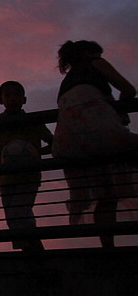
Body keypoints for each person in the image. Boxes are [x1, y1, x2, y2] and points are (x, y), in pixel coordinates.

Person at [52, 40, 138, 248]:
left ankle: (107, 246)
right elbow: (128, 89)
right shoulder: (96, 63)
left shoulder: (67, 82)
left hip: (68, 140)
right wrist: (120, 108)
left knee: (105, 193)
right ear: (88, 54)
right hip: (98, 129)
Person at [0, 81, 52, 252]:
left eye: (17, 95)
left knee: (19, 212)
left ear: (24, 99)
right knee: (13, 217)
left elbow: (52, 142)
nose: (13, 98)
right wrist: (9, 152)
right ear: (1, 100)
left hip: (29, 175)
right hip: (6, 176)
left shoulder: (34, 121)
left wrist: (33, 153)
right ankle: (29, 251)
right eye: (8, 95)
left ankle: (37, 253)